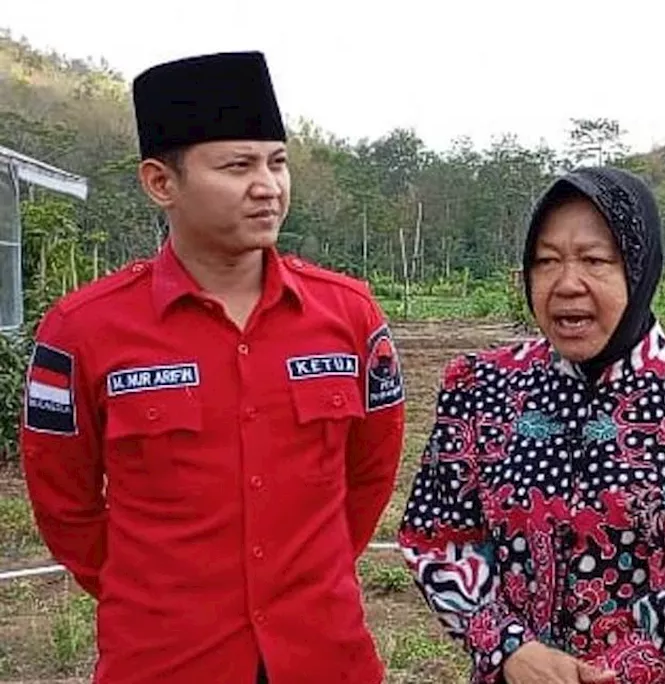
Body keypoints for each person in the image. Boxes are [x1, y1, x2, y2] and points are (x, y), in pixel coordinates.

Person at [20, 51, 406, 684]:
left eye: (277, 162)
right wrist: (163, 595)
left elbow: (369, 475)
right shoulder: (83, 329)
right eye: (238, 166)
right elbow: (65, 505)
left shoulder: (349, 314)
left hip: (322, 654)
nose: (268, 185)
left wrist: (304, 575)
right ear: (160, 183)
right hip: (166, 661)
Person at [397, 165, 665, 684]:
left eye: (594, 260)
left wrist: (618, 670)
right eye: (546, 261)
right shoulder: (480, 388)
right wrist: (507, 648)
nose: (567, 284)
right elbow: (436, 538)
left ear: (638, 267)